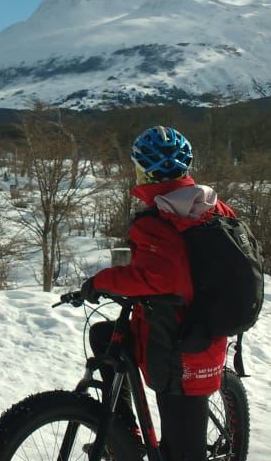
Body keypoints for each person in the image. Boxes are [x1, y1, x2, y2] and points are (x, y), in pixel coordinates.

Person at [80, 126, 237, 461]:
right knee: (106, 337)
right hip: (194, 330)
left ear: (143, 171)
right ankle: (123, 438)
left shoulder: (157, 219)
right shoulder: (213, 205)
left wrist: (100, 282)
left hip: (182, 352)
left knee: (182, 456)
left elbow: (159, 278)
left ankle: (127, 442)